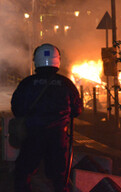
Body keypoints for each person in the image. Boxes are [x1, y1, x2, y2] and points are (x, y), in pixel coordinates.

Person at [11, 43, 83, 192]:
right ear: (57, 60)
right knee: (60, 179)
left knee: (23, 173)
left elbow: (17, 108)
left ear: (35, 60)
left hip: (32, 136)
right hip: (58, 137)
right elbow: (78, 110)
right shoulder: (66, 84)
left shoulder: (27, 83)